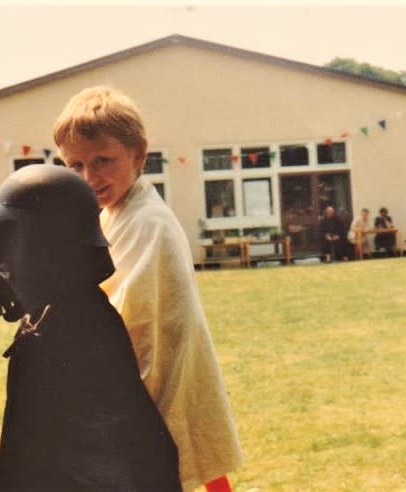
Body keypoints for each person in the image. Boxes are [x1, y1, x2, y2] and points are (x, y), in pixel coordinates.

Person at [54, 86, 243, 492]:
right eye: (75, 166)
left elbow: (133, 323)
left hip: (155, 385)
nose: (89, 178)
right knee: (195, 466)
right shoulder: (113, 214)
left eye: (102, 160)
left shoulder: (147, 222)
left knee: (174, 467)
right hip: (144, 385)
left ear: (138, 154)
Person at [0, 164, 182, 492]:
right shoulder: (54, 315)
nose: (5, 269)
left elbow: (104, 460)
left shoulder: (76, 326)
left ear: (44, 250)